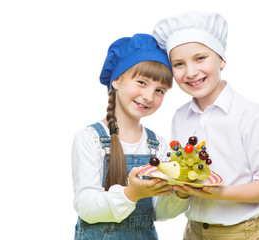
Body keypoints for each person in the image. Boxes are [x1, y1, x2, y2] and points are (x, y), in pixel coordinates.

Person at [153, 12, 259, 239]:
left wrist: (218, 192)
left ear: (222, 59)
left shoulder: (252, 114)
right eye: (179, 64)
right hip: (194, 231)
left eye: (200, 58)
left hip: (241, 232)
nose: (191, 72)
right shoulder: (180, 116)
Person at [72, 33, 183, 240]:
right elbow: (85, 205)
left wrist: (182, 194)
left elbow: (158, 211)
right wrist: (132, 193)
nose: (149, 96)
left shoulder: (157, 144)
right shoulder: (90, 139)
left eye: (159, 90)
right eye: (142, 82)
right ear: (116, 80)